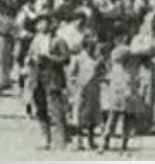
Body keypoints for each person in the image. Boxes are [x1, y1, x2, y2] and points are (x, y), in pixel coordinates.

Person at [30, 14, 69, 150]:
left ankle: (61, 140)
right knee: (40, 108)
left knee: (56, 109)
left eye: (43, 22)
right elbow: (29, 55)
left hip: (53, 76)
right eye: (39, 23)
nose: (40, 25)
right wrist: (30, 60)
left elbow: (65, 59)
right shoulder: (36, 40)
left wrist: (50, 58)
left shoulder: (59, 40)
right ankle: (45, 138)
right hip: (37, 76)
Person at [66, 40, 102, 151]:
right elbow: (71, 74)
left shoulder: (97, 58)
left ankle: (91, 141)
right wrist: (76, 86)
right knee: (80, 115)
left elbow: (102, 72)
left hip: (94, 89)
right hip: (81, 89)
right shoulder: (78, 59)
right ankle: (79, 141)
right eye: (91, 47)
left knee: (93, 115)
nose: (93, 49)